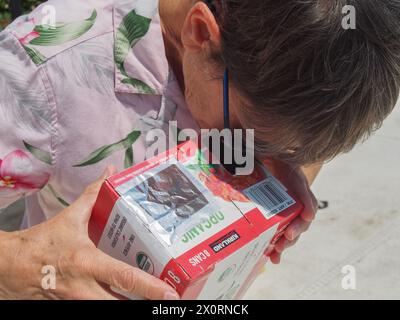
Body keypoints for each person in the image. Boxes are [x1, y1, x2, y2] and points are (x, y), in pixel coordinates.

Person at [0, 0, 399, 299]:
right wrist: (28, 266)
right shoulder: (44, 73)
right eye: (254, 137)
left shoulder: (290, 65)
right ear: (201, 33)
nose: (251, 154)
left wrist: (286, 167)